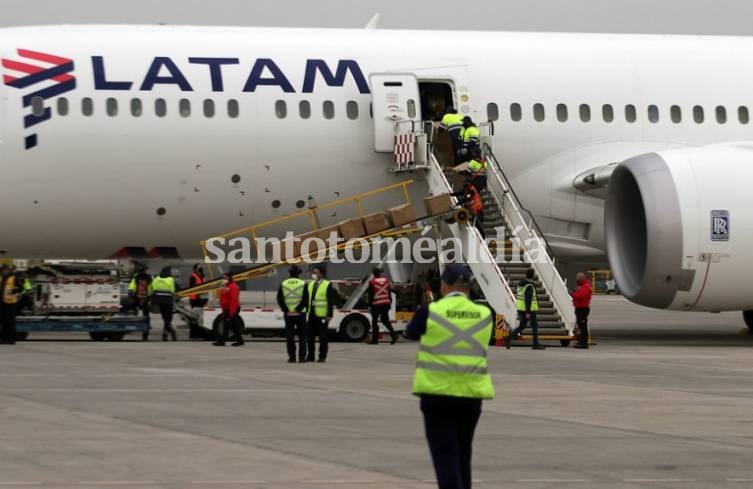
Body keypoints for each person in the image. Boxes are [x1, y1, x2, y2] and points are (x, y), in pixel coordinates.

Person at [405, 263, 495, 489]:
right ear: (468, 287)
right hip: (471, 396)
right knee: (463, 454)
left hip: (438, 394)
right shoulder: (485, 314)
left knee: (446, 456)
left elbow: (410, 332)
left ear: (444, 286)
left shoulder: (431, 310)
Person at [505, 269, 546, 350]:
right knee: (534, 325)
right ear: (533, 275)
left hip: (521, 308)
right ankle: (535, 344)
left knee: (522, 326)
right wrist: (528, 312)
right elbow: (528, 299)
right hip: (529, 309)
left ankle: (508, 338)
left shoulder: (521, 284)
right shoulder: (529, 285)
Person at [277, 265, 309, 362]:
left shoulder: (283, 283)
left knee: (290, 336)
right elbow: (305, 300)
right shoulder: (303, 283)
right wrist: (297, 310)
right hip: (300, 314)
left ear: (289, 272)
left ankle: (292, 357)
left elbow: (280, 299)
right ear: (299, 273)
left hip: (288, 315)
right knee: (302, 337)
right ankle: (302, 357)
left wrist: (286, 310)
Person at [306, 264, 338, 363]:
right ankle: (310, 355)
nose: (313, 274)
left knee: (322, 337)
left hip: (322, 315)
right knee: (310, 337)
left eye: (315, 272)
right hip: (311, 314)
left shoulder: (327, 284)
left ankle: (322, 356)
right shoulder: (311, 284)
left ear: (321, 274)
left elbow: (330, 300)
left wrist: (329, 314)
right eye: (313, 272)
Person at [367, 268, 398, 345]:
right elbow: (389, 292)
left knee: (374, 322)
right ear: (380, 273)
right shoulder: (386, 281)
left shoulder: (372, 282)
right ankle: (394, 335)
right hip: (385, 303)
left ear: (373, 274)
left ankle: (375, 340)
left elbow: (370, 296)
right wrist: (389, 302)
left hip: (376, 304)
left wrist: (369, 305)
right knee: (385, 321)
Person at [214, 273, 244, 347]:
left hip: (232, 308)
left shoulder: (233, 287)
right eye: (223, 278)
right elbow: (222, 297)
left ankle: (222, 341)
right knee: (234, 326)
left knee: (226, 325)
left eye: (225, 278)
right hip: (226, 309)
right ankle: (240, 340)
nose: (223, 279)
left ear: (230, 278)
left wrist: (231, 312)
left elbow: (234, 300)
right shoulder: (225, 286)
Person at [151, 266, 177, 342]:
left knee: (165, 318)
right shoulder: (170, 279)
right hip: (168, 301)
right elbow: (172, 291)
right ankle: (170, 332)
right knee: (168, 319)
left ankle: (166, 335)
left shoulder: (156, 279)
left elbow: (153, 288)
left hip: (159, 301)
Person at [128, 266, 153, 341]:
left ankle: (142, 331)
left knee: (135, 313)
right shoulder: (149, 278)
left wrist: (131, 294)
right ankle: (145, 333)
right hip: (146, 299)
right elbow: (152, 287)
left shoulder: (136, 278)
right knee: (146, 316)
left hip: (138, 298)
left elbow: (132, 287)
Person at [0, 265, 22, 345]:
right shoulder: (1, 278)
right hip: (2, 303)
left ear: (8, 270)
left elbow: (20, 288)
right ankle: (3, 338)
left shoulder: (14, 278)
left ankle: (11, 339)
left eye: (5, 270)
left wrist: (13, 291)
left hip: (10, 303)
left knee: (10, 322)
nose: (3, 272)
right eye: (2, 270)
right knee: (3, 322)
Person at [571, 272, 593, 349]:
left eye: (578, 281)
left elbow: (581, 296)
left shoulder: (586, 287)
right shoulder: (583, 286)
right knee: (581, 326)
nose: (577, 282)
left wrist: (573, 294)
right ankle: (581, 341)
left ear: (582, 279)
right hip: (579, 309)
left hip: (582, 309)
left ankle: (584, 343)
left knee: (583, 326)